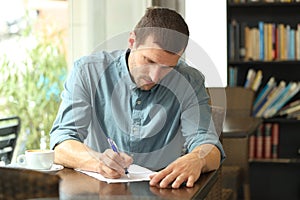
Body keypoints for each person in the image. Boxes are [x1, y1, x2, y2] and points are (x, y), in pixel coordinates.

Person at [50, 7, 225, 189]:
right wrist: (98, 161)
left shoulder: (189, 81)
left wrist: (196, 159)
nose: (156, 77)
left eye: (168, 67)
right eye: (149, 61)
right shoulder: (88, 71)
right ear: (132, 41)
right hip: (101, 189)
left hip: (162, 190)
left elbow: (209, 146)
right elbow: (62, 143)